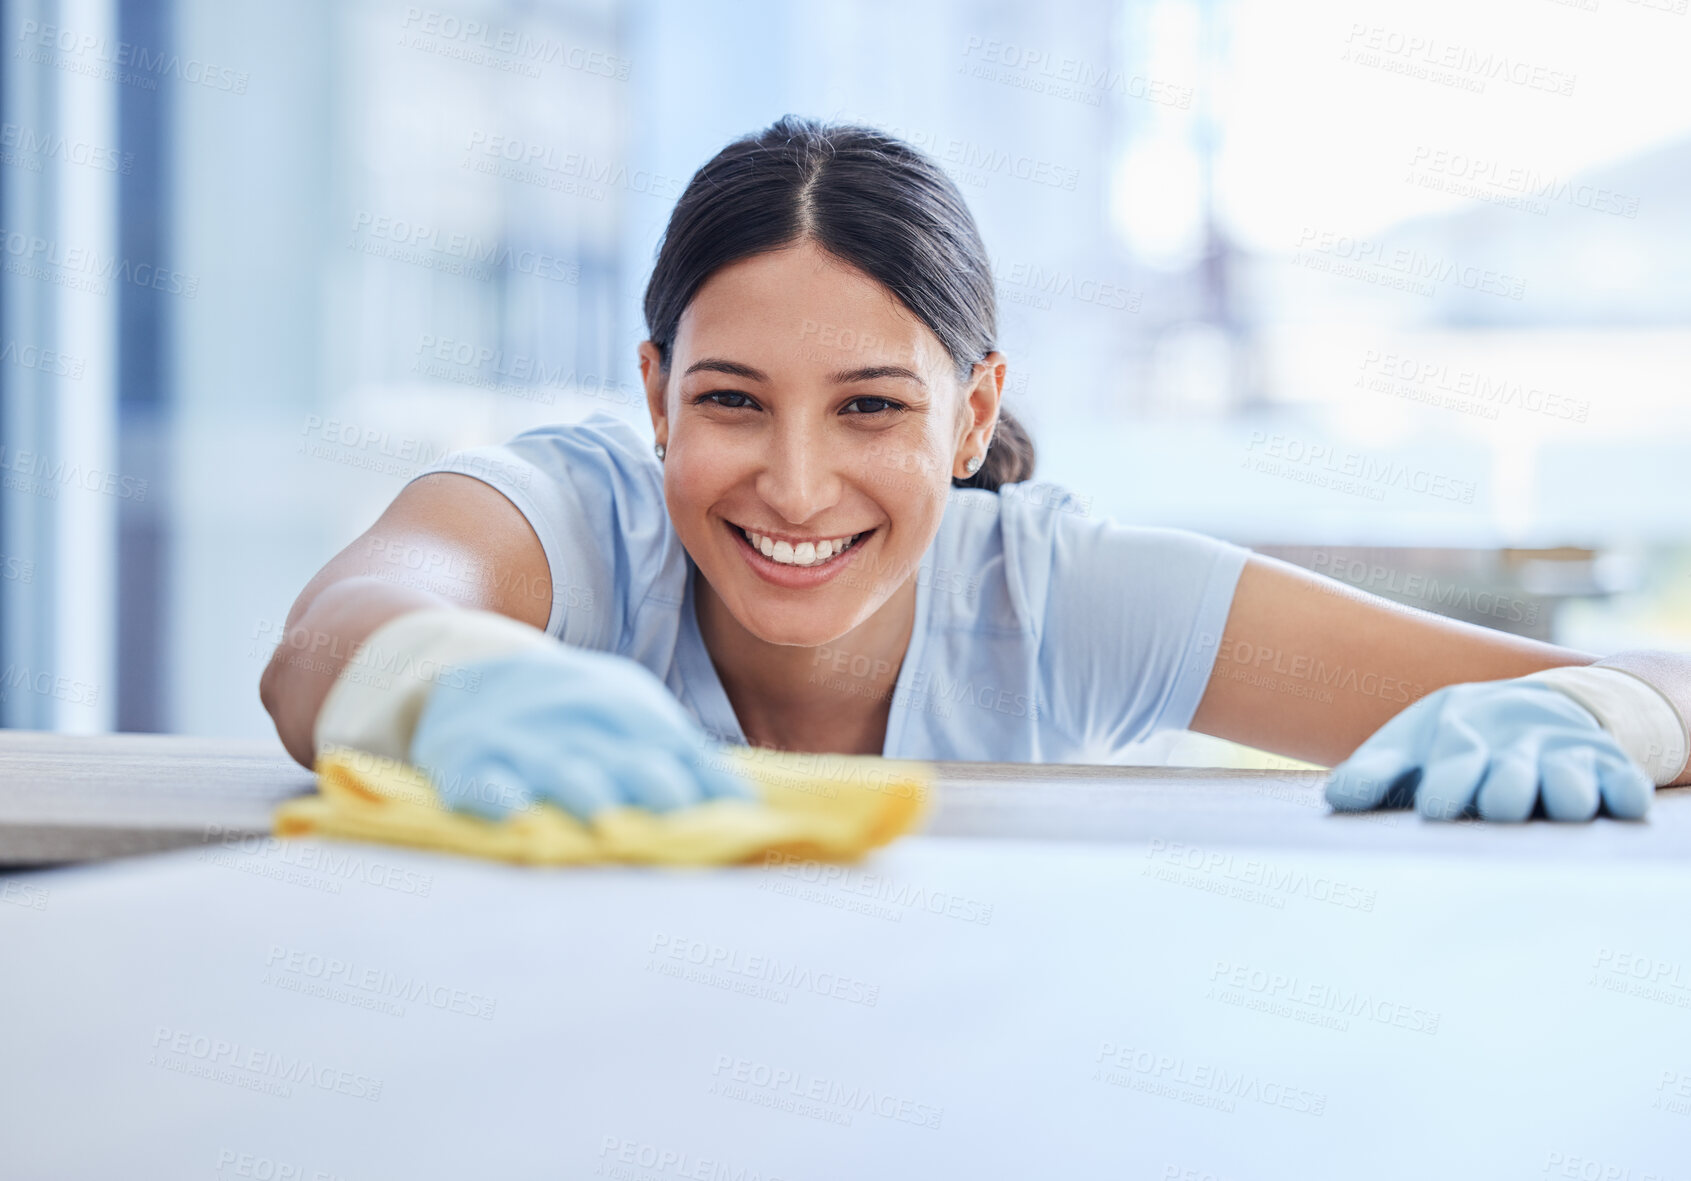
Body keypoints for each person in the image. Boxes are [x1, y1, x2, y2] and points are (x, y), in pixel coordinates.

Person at [259, 116, 1690, 825]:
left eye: (873, 407)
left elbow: (1653, 684)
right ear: (654, 393)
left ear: (971, 412)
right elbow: (337, 633)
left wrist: (1613, 705)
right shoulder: (576, 519)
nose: (798, 486)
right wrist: (439, 676)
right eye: (733, 401)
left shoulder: (1063, 596)